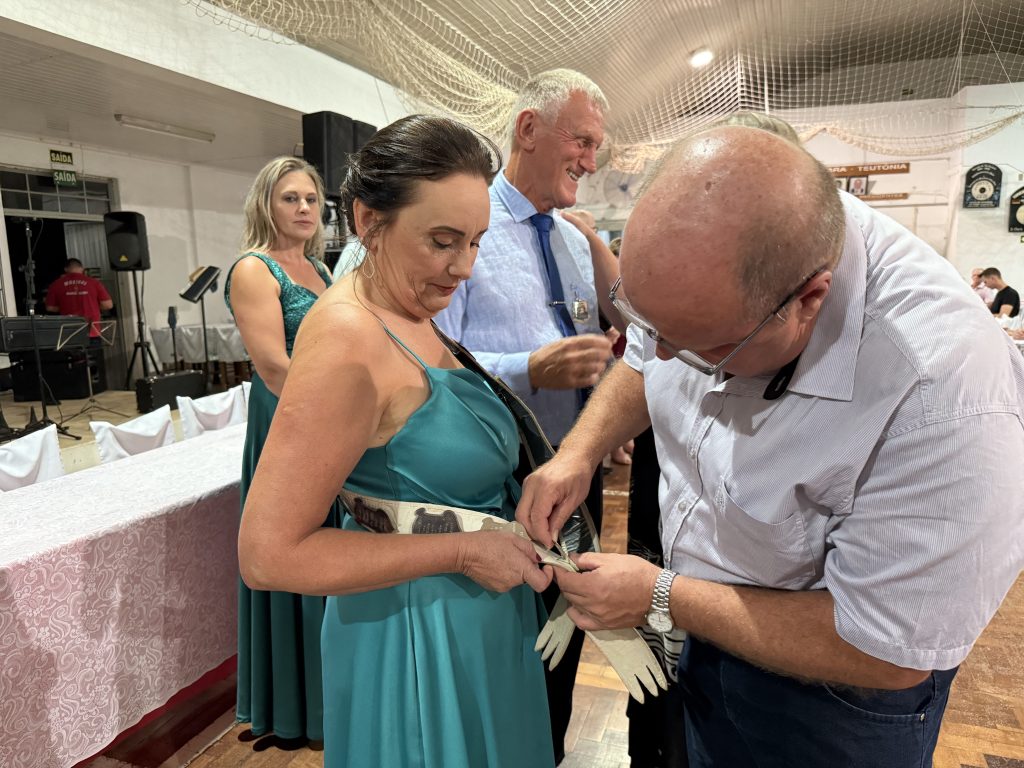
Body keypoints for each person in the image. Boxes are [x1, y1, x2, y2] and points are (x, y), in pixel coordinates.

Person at [517, 126, 1024, 768]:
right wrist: (578, 453)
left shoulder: (944, 394)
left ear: (808, 300)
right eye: (649, 323)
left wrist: (661, 596)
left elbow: (888, 650)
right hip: (703, 626)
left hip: (834, 702)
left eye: (702, 348)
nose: (664, 356)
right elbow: (647, 354)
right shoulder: (721, 264)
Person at [239, 115, 556, 768]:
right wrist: (462, 552)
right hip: (418, 637)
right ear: (368, 221)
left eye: (476, 242)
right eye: (443, 241)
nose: (464, 267)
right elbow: (268, 555)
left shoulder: (405, 307)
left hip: (472, 619)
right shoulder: (349, 340)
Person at [436, 69, 622, 763]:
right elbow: (432, 357)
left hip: (574, 471)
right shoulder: (467, 225)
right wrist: (528, 369)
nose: (591, 162)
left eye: (597, 147)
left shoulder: (572, 241)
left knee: (563, 644)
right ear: (528, 129)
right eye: (582, 141)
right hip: (501, 481)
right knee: (509, 650)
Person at [223, 156, 337, 747]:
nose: (303, 208)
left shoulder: (320, 267)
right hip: (290, 421)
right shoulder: (253, 269)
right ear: (265, 204)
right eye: (290, 198)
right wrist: (344, 417)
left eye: (311, 199)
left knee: (331, 551)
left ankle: (334, 696)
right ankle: (300, 707)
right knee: (295, 547)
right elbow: (273, 366)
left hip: (329, 418)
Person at [45, 258, 113, 340]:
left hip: (69, 333)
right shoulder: (94, 283)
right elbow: (108, 305)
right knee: (93, 348)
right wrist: (92, 305)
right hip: (92, 331)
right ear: (82, 269)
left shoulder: (56, 284)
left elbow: (50, 308)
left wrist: (64, 306)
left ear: (66, 269)